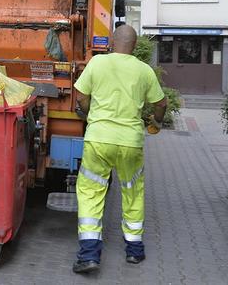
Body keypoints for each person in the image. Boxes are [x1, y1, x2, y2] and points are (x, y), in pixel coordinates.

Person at [72, 25, 167, 274]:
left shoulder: (97, 63)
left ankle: (89, 255)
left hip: (99, 139)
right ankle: (134, 251)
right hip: (130, 142)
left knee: (92, 192)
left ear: (112, 43)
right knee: (132, 193)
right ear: (134, 46)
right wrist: (156, 121)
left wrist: (88, 111)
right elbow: (161, 102)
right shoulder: (143, 70)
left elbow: (80, 93)